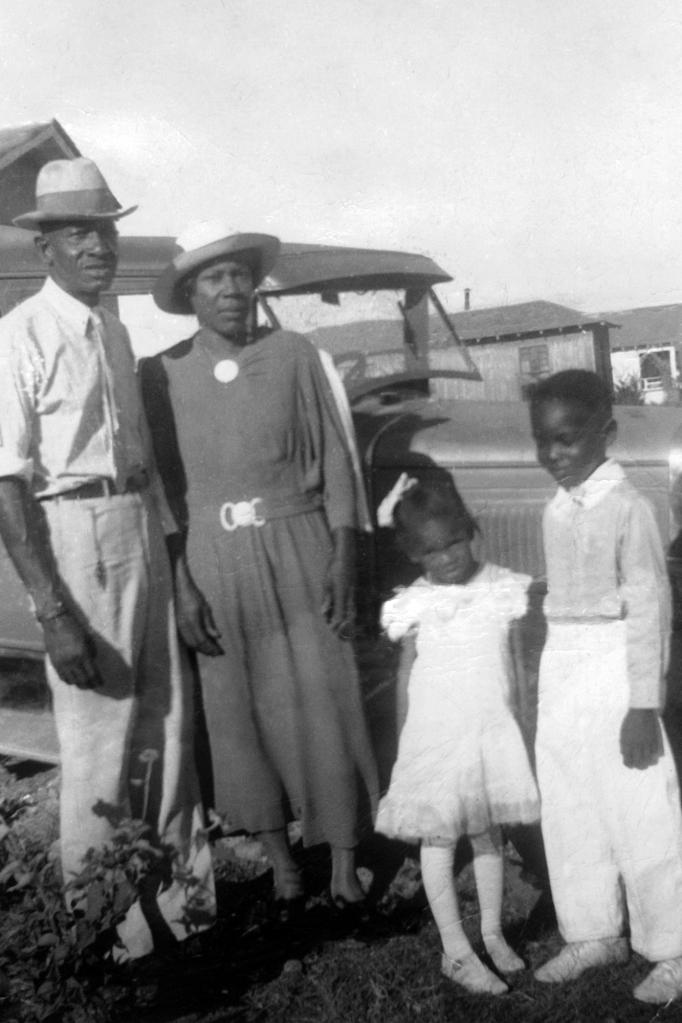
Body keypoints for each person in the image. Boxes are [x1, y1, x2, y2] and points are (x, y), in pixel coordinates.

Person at [0, 158, 214, 959]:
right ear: (46, 246)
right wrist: (52, 611)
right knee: (100, 737)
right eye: (79, 233)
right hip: (73, 534)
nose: (100, 247)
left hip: (138, 528)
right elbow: (7, 481)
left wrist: (179, 575)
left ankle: (184, 913)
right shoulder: (19, 336)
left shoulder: (115, 331)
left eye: (107, 230)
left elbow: (148, 464)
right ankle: (103, 929)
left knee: (166, 723)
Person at [141, 221, 378, 912]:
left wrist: (343, 552)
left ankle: (341, 857)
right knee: (239, 707)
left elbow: (337, 457)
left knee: (324, 692)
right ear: (189, 293)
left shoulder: (298, 353)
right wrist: (181, 584)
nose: (233, 289)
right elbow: (158, 489)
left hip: (300, 539)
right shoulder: (160, 373)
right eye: (215, 278)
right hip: (214, 558)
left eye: (241, 274)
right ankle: (281, 860)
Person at [529, 369, 682, 1005]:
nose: (556, 455)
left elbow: (649, 604)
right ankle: (593, 930)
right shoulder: (553, 508)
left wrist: (644, 703)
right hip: (563, 663)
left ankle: (673, 945)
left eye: (569, 440)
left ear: (607, 434)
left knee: (640, 805)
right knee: (569, 799)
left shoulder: (631, 507)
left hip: (617, 668)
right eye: (544, 442)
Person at [374, 471, 539, 995]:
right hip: (436, 736)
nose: (446, 558)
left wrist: (522, 723)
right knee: (440, 834)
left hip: (490, 729)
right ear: (414, 557)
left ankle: (490, 933)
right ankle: (455, 949)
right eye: (431, 552)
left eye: (453, 543)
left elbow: (514, 664)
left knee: (487, 831)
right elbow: (404, 675)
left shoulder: (501, 588)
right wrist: (403, 739)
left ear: (470, 533)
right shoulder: (414, 603)